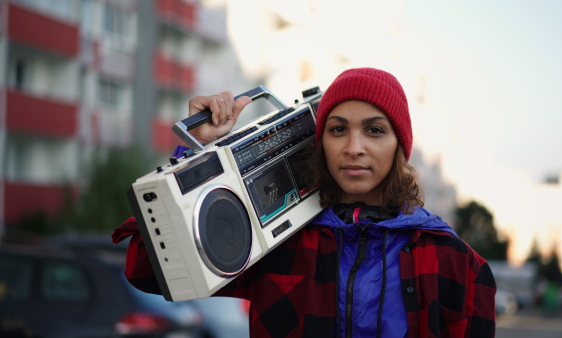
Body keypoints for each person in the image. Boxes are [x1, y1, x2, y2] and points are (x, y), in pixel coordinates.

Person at [113, 67, 496, 337]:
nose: (354, 148)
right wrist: (204, 157)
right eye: (338, 129)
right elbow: (148, 268)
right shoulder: (280, 241)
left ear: (400, 146)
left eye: (375, 130)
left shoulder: (456, 264)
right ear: (321, 142)